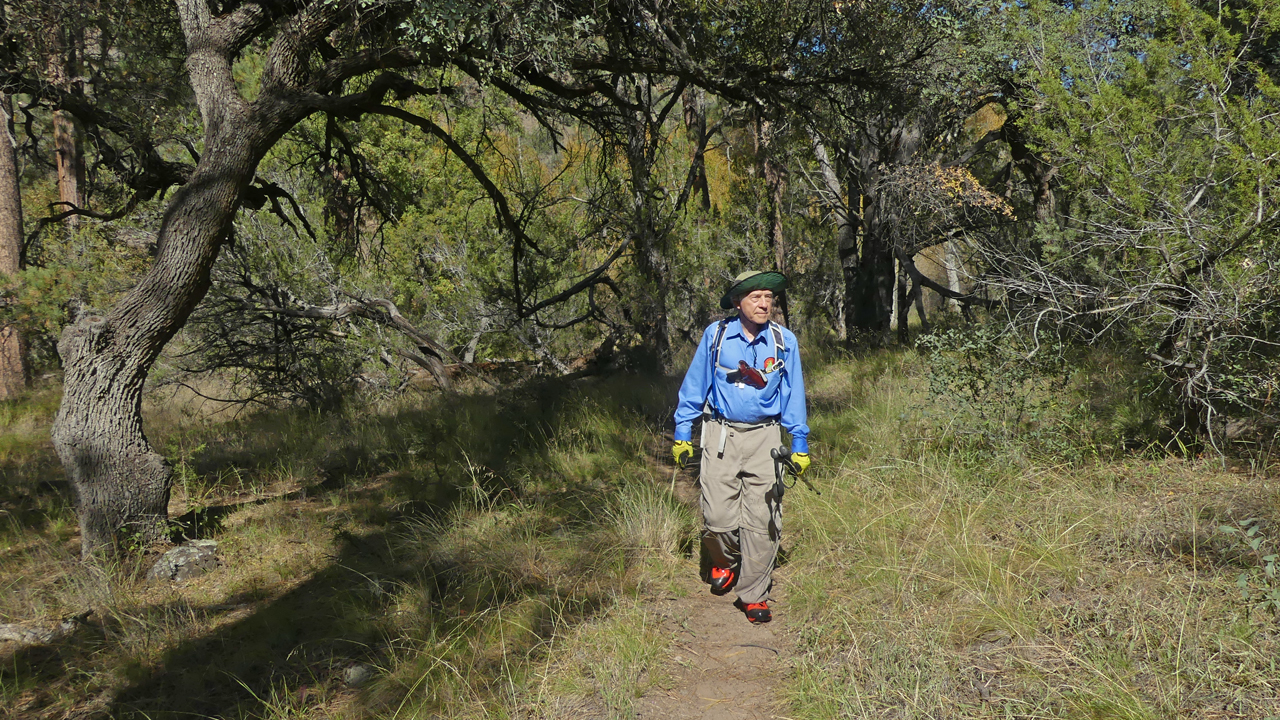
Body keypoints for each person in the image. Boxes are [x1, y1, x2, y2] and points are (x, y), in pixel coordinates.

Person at [671, 270, 811, 624]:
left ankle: (754, 594)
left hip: (766, 437)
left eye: (769, 297)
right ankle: (725, 560)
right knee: (717, 518)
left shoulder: (784, 341)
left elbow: (794, 394)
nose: (765, 304)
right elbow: (694, 385)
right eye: (756, 297)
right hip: (720, 434)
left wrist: (800, 441)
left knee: (764, 520)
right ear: (738, 302)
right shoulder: (716, 337)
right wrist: (682, 431)